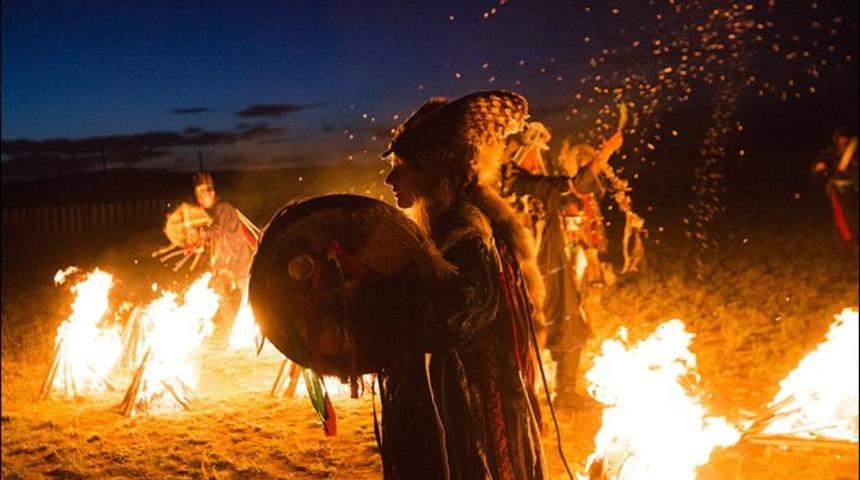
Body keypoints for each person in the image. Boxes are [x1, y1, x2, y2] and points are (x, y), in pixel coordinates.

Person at [380, 90, 548, 479]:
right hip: (468, 392)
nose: (390, 177)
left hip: (477, 400)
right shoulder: (453, 224)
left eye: (403, 166)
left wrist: (377, 303)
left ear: (433, 171)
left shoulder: (466, 231)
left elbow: (455, 317)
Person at [500, 126, 623, 410]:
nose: (537, 159)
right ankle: (522, 400)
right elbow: (575, 186)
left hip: (549, 269)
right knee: (525, 334)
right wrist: (605, 153)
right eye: (532, 153)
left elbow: (574, 194)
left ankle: (563, 391)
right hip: (529, 274)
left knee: (568, 323)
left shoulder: (523, 183)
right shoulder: (520, 184)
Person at [193, 172, 259, 323]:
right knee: (218, 288)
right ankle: (232, 321)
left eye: (204, 194)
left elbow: (217, 230)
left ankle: (255, 322)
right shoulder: (216, 211)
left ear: (213, 193)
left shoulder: (222, 208)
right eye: (198, 195)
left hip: (237, 258)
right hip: (226, 262)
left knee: (247, 292)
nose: (201, 198)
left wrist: (200, 234)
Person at [812, 129, 858, 248]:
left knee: (854, 216)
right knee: (841, 216)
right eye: (841, 138)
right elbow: (818, 166)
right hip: (837, 190)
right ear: (837, 139)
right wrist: (818, 167)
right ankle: (844, 242)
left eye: (846, 138)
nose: (844, 140)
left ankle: (854, 241)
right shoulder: (830, 153)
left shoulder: (855, 152)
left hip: (854, 189)